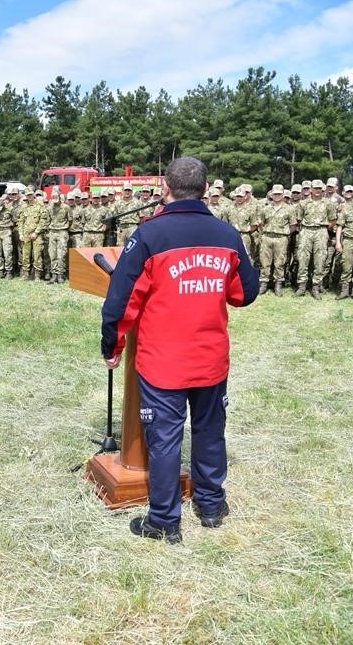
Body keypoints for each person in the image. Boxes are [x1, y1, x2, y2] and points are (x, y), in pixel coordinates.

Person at [100, 156, 259, 544]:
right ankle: (211, 505)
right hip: (210, 360)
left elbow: (120, 300)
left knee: (165, 440)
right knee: (209, 432)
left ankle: (164, 521)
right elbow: (244, 293)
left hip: (163, 363)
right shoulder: (226, 235)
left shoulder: (148, 235)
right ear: (205, 189)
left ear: (165, 188)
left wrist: (112, 345)